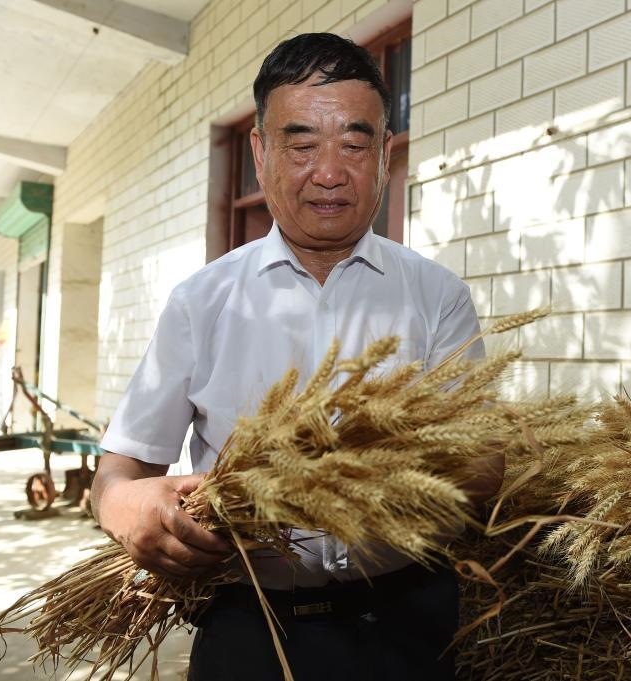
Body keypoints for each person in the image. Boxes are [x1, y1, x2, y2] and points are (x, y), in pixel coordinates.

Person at [91, 32, 503, 681]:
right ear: (260, 152)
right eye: (302, 144)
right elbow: (117, 474)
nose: (329, 172)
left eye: (354, 144)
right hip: (248, 629)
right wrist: (127, 509)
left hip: (405, 626)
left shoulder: (437, 295)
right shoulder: (201, 302)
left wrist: (364, 476)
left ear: (385, 154)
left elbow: (483, 461)